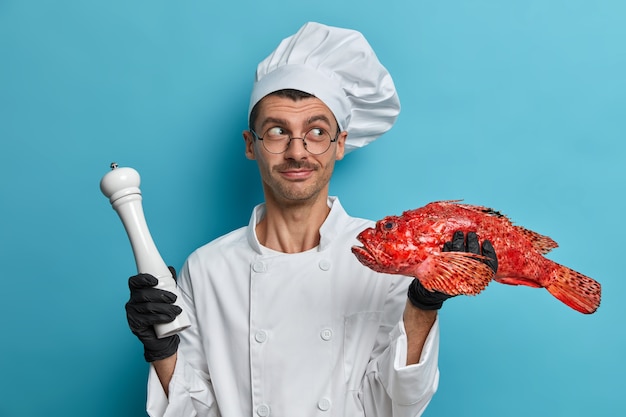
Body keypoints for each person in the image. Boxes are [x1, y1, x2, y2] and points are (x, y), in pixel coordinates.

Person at [125, 22, 497, 417]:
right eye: (277, 132)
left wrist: (423, 305)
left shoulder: (386, 261)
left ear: (340, 143)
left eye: (316, 131)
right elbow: (191, 412)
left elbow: (401, 405)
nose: (297, 151)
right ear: (252, 145)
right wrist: (161, 348)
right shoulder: (206, 269)